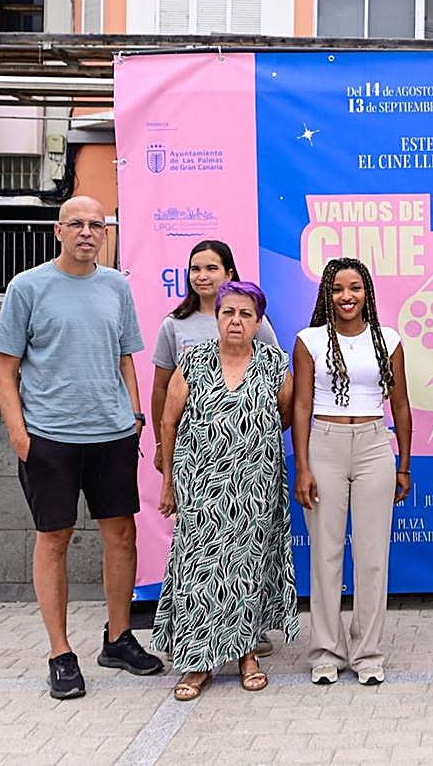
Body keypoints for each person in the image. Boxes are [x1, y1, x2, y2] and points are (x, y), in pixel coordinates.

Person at [0, 195, 163, 700]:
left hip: (111, 435)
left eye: (97, 224)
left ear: (105, 234)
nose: (88, 232)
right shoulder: (28, 287)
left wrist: (133, 415)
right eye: (77, 224)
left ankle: (117, 639)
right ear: (58, 231)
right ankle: (60, 652)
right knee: (55, 541)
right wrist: (21, 437)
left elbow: (127, 358)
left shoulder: (116, 287)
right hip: (50, 439)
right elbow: (5, 370)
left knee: (122, 537)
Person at [153, 281, 299, 701]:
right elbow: (169, 421)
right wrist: (168, 482)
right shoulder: (194, 360)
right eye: (228, 313)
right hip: (200, 487)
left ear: (258, 322)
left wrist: (249, 443)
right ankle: (197, 663)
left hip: (255, 488)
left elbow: (285, 414)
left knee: (248, 571)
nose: (236, 321)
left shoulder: (274, 363)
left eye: (245, 315)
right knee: (199, 572)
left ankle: (247, 655)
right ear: (216, 317)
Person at [149, 239, 279, 657]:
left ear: (229, 273)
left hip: (250, 472)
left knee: (245, 558)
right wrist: (162, 448)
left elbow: (278, 396)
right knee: (198, 558)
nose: (201, 275)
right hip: (199, 468)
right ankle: (197, 650)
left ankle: (245, 641)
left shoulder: (261, 324)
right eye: (195, 268)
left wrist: (253, 434)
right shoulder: (176, 326)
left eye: (211, 268)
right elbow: (163, 398)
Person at [292, 257, 413, 687]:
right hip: (323, 445)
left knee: (372, 556)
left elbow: (399, 405)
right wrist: (302, 465)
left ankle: (367, 653)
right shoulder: (309, 340)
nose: (347, 296)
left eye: (355, 288)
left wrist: (404, 464)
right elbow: (301, 406)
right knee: (325, 555)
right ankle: (325, 651)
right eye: (339, 288)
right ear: (327, 293)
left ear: (367, 293)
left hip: (373, 445)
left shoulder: (389, 339)